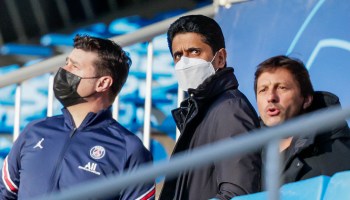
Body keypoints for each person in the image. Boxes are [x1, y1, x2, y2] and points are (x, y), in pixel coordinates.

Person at [0, 35, 155, 200]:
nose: (63, 70)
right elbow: (5, 194)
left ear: (102, 83)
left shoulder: (128, 149)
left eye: (74, 66)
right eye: (67, 63)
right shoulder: (34, 131)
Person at [159, 15, 261, 200]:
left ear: (220, 58)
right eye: (178, 55)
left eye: (194, 52)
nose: (185, 62)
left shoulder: (230, 109)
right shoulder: (201, 112)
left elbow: (238, 193)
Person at [255, 55, 350, 184]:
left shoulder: (333, 144)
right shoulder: (250, 155)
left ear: (306, 99)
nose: (271, 97)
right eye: (263, 90)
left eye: (282, 87)